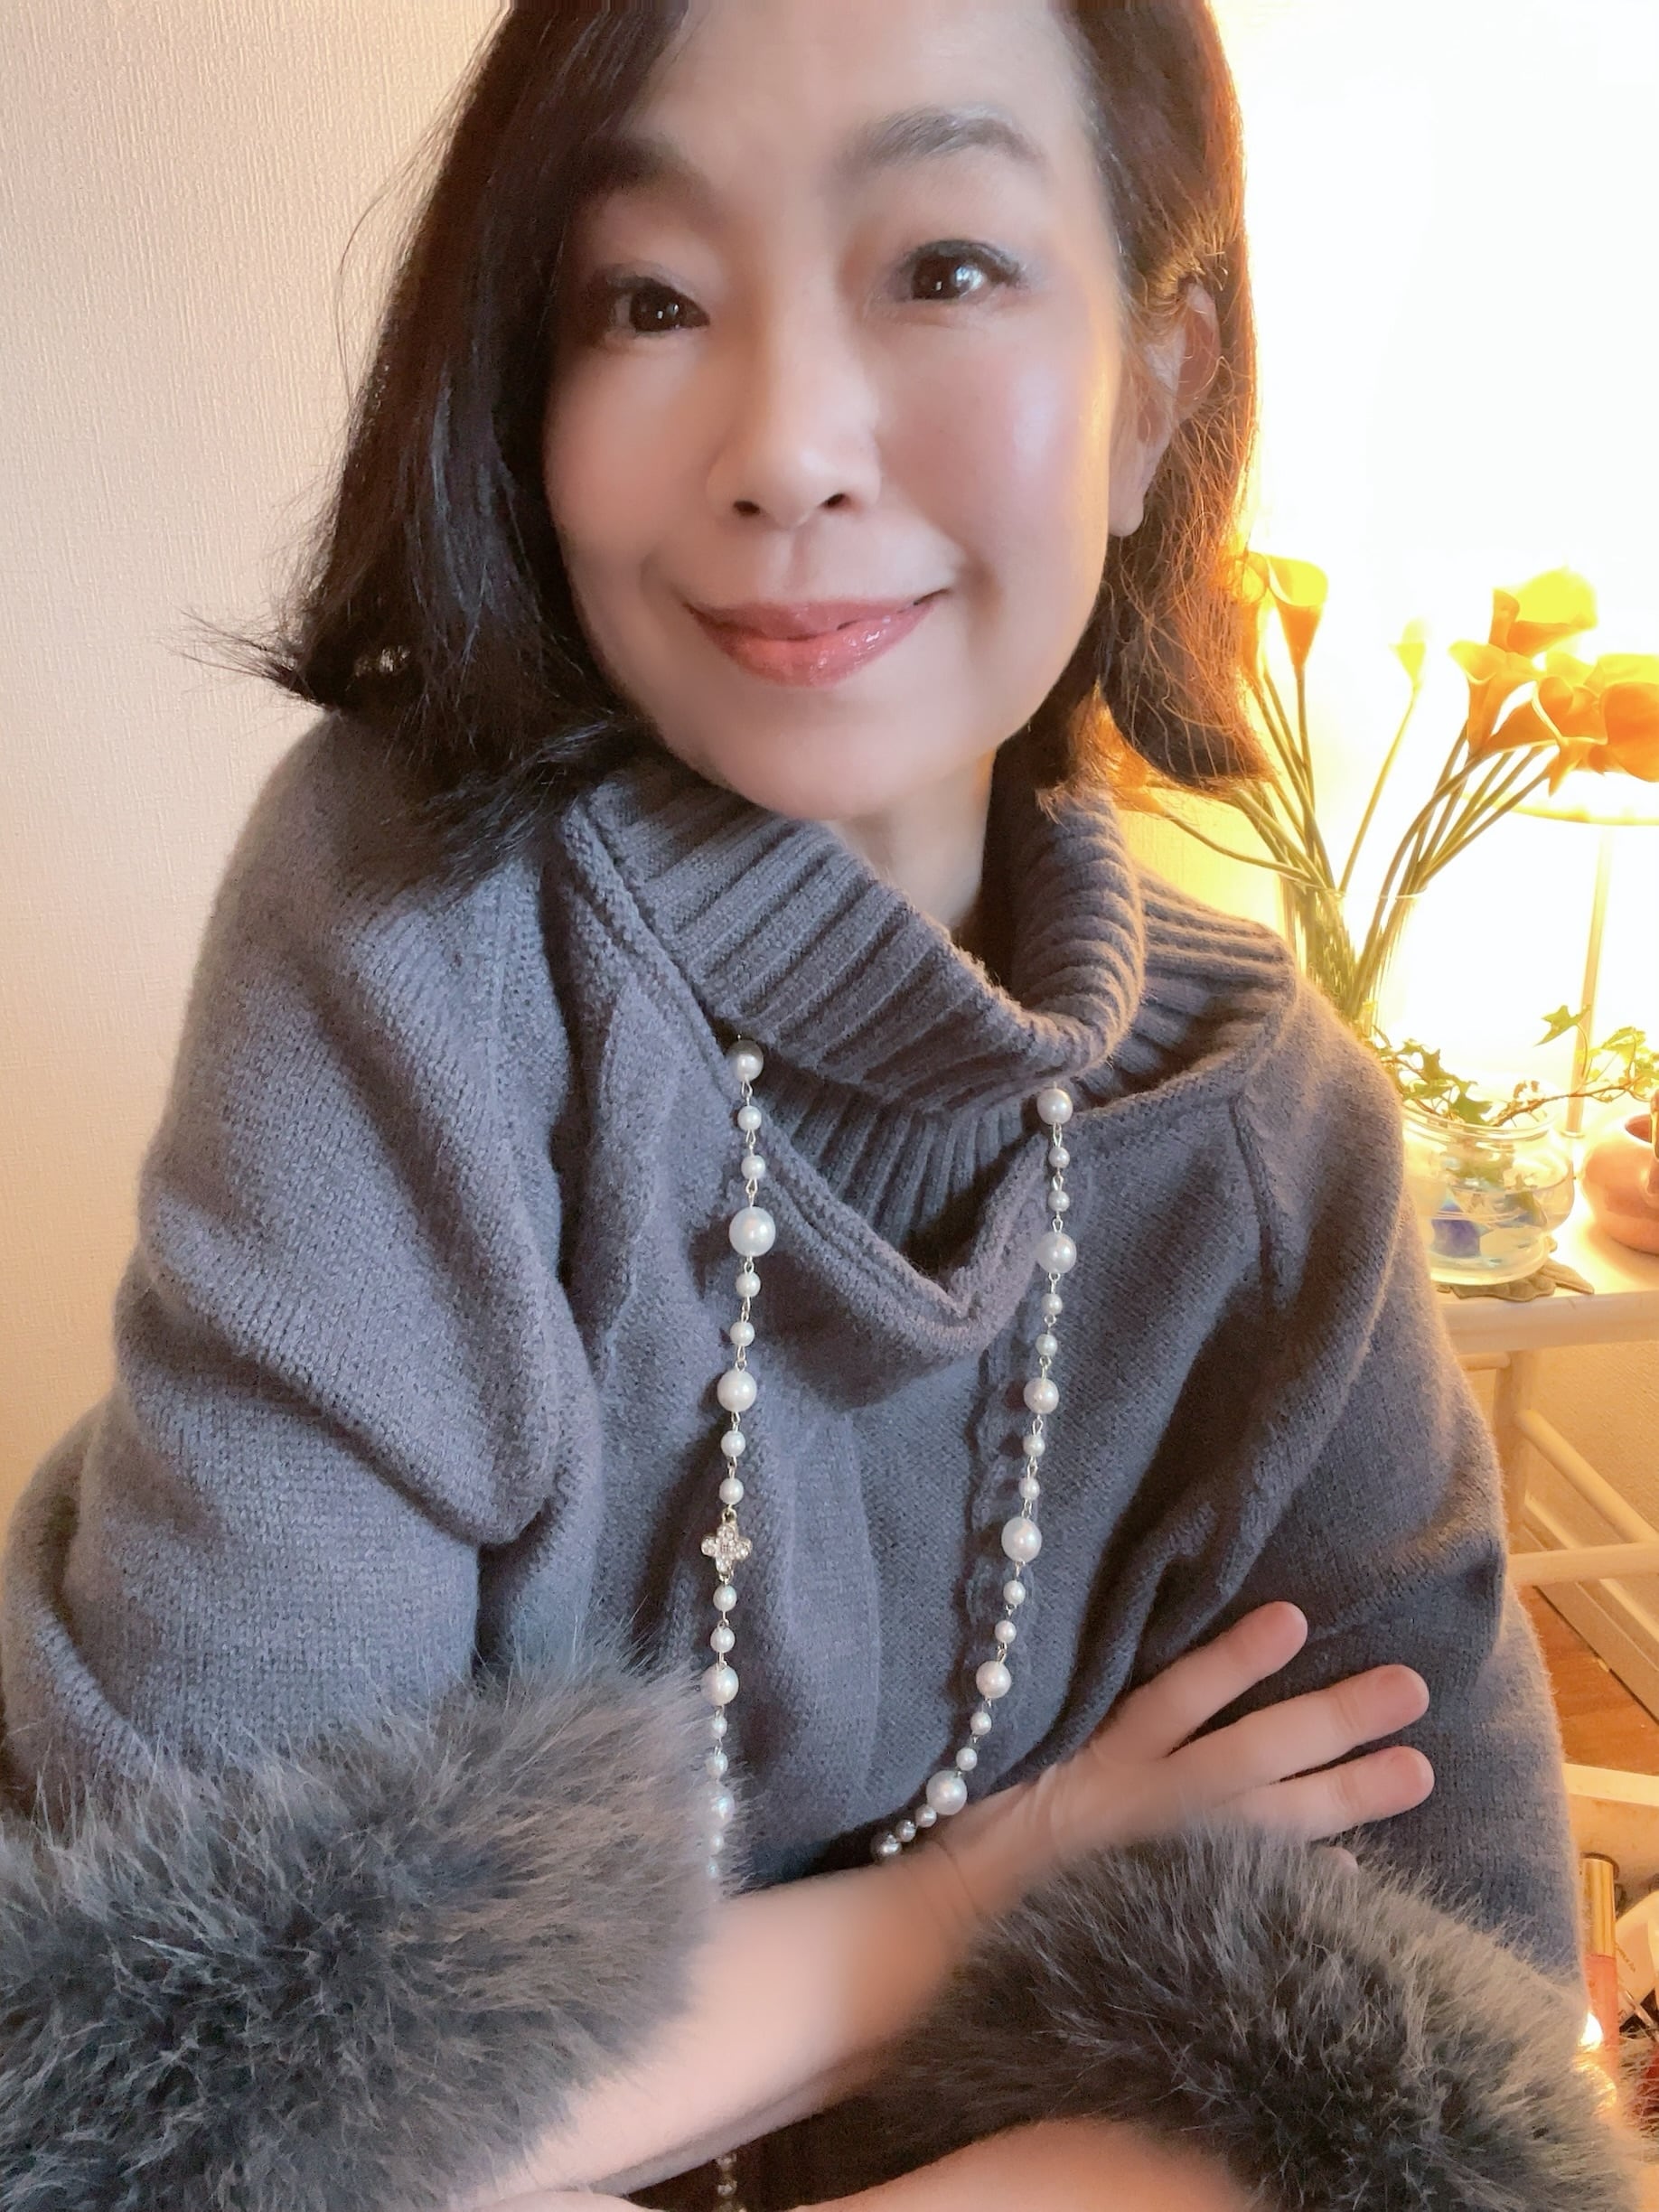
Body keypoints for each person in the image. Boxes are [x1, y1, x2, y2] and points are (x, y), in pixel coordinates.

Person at [0, 4, 1630, 2209]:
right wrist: (972, 1911)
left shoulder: (1273, 1152)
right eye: (649, 298)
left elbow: (1456, 2096)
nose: (783, 449)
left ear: (1162, 384)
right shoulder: (418, 940)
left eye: (944, 266)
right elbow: (171, 2104)